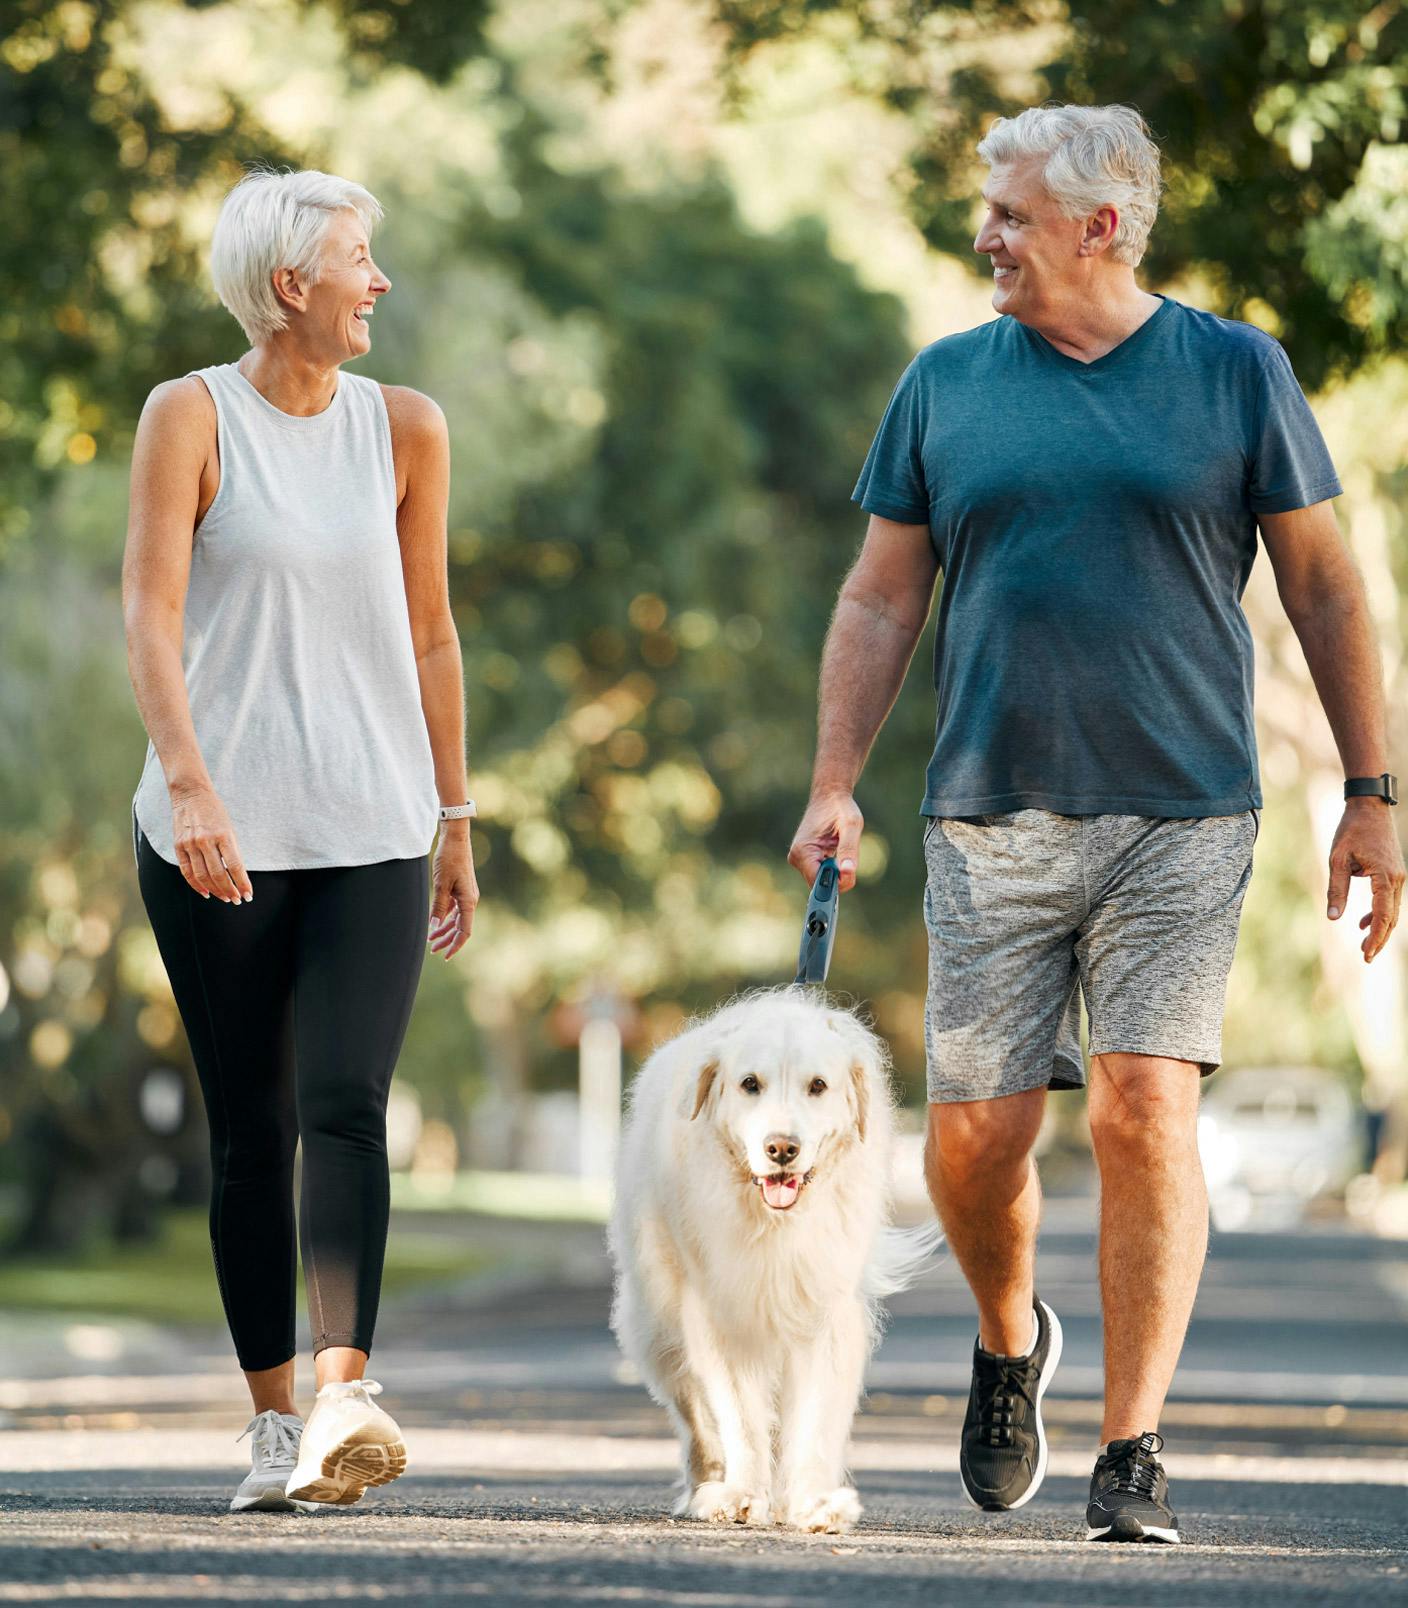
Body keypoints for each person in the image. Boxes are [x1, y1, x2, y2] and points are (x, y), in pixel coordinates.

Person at [789, 103, 1402, 1544]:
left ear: (1101, 227)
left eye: (1009, 214)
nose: (985, 237)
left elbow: (1324, 585)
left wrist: (1372, 793)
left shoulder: (1235, 371)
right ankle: (1011, 1339)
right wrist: (833, 780)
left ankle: (1134, 1446)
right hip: (988, 807)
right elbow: (879, 598)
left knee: (1144, 1104)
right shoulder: (945, 383)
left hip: (1183, 807)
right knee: (974, 1141)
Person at [124, 168, 480, 1513]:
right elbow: (152, 615)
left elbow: (433, 632)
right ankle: (274, 1422)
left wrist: (454, 815)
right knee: (250, 1125)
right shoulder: (189, 415)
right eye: (356, 259)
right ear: (289, 286)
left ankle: (342, 1400)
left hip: (373, 822)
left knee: (346, 1104)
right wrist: (191, 789)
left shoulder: (406, 428)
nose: (377, 280)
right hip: (216, 833)